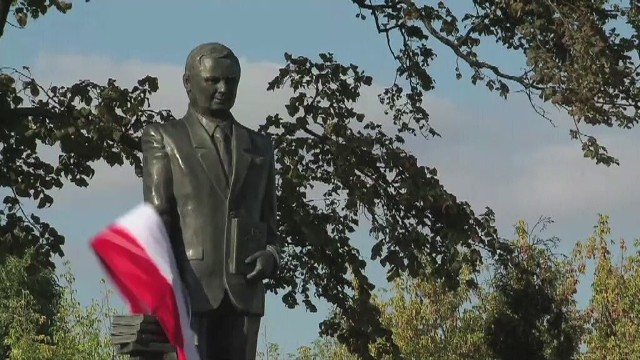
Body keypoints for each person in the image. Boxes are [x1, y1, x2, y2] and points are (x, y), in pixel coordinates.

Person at [141, 42, 280, 360]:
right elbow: (157, 216)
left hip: (244, 294)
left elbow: (271, 226)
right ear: (188, 83)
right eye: (213, 80)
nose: (223, 88)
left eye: (231, 81)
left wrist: (271, 256)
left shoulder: (260, 147)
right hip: (189, 288)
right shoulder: (165, 137)